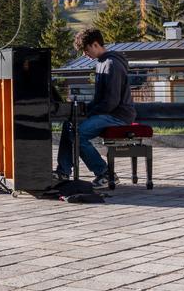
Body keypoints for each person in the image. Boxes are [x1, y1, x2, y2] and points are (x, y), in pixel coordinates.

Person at [55, 27, 136, 188]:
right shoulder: (102, 63)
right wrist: (81, 111)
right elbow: (101, 100)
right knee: (69, 124)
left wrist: (88, 114)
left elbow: (111, 102)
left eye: (86, 50)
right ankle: (63, 171)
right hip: (108, 112)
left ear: (96, 44)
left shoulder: (111, 64)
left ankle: (106, 174)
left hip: (118, 115)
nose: (85, 54)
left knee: (78, 133)